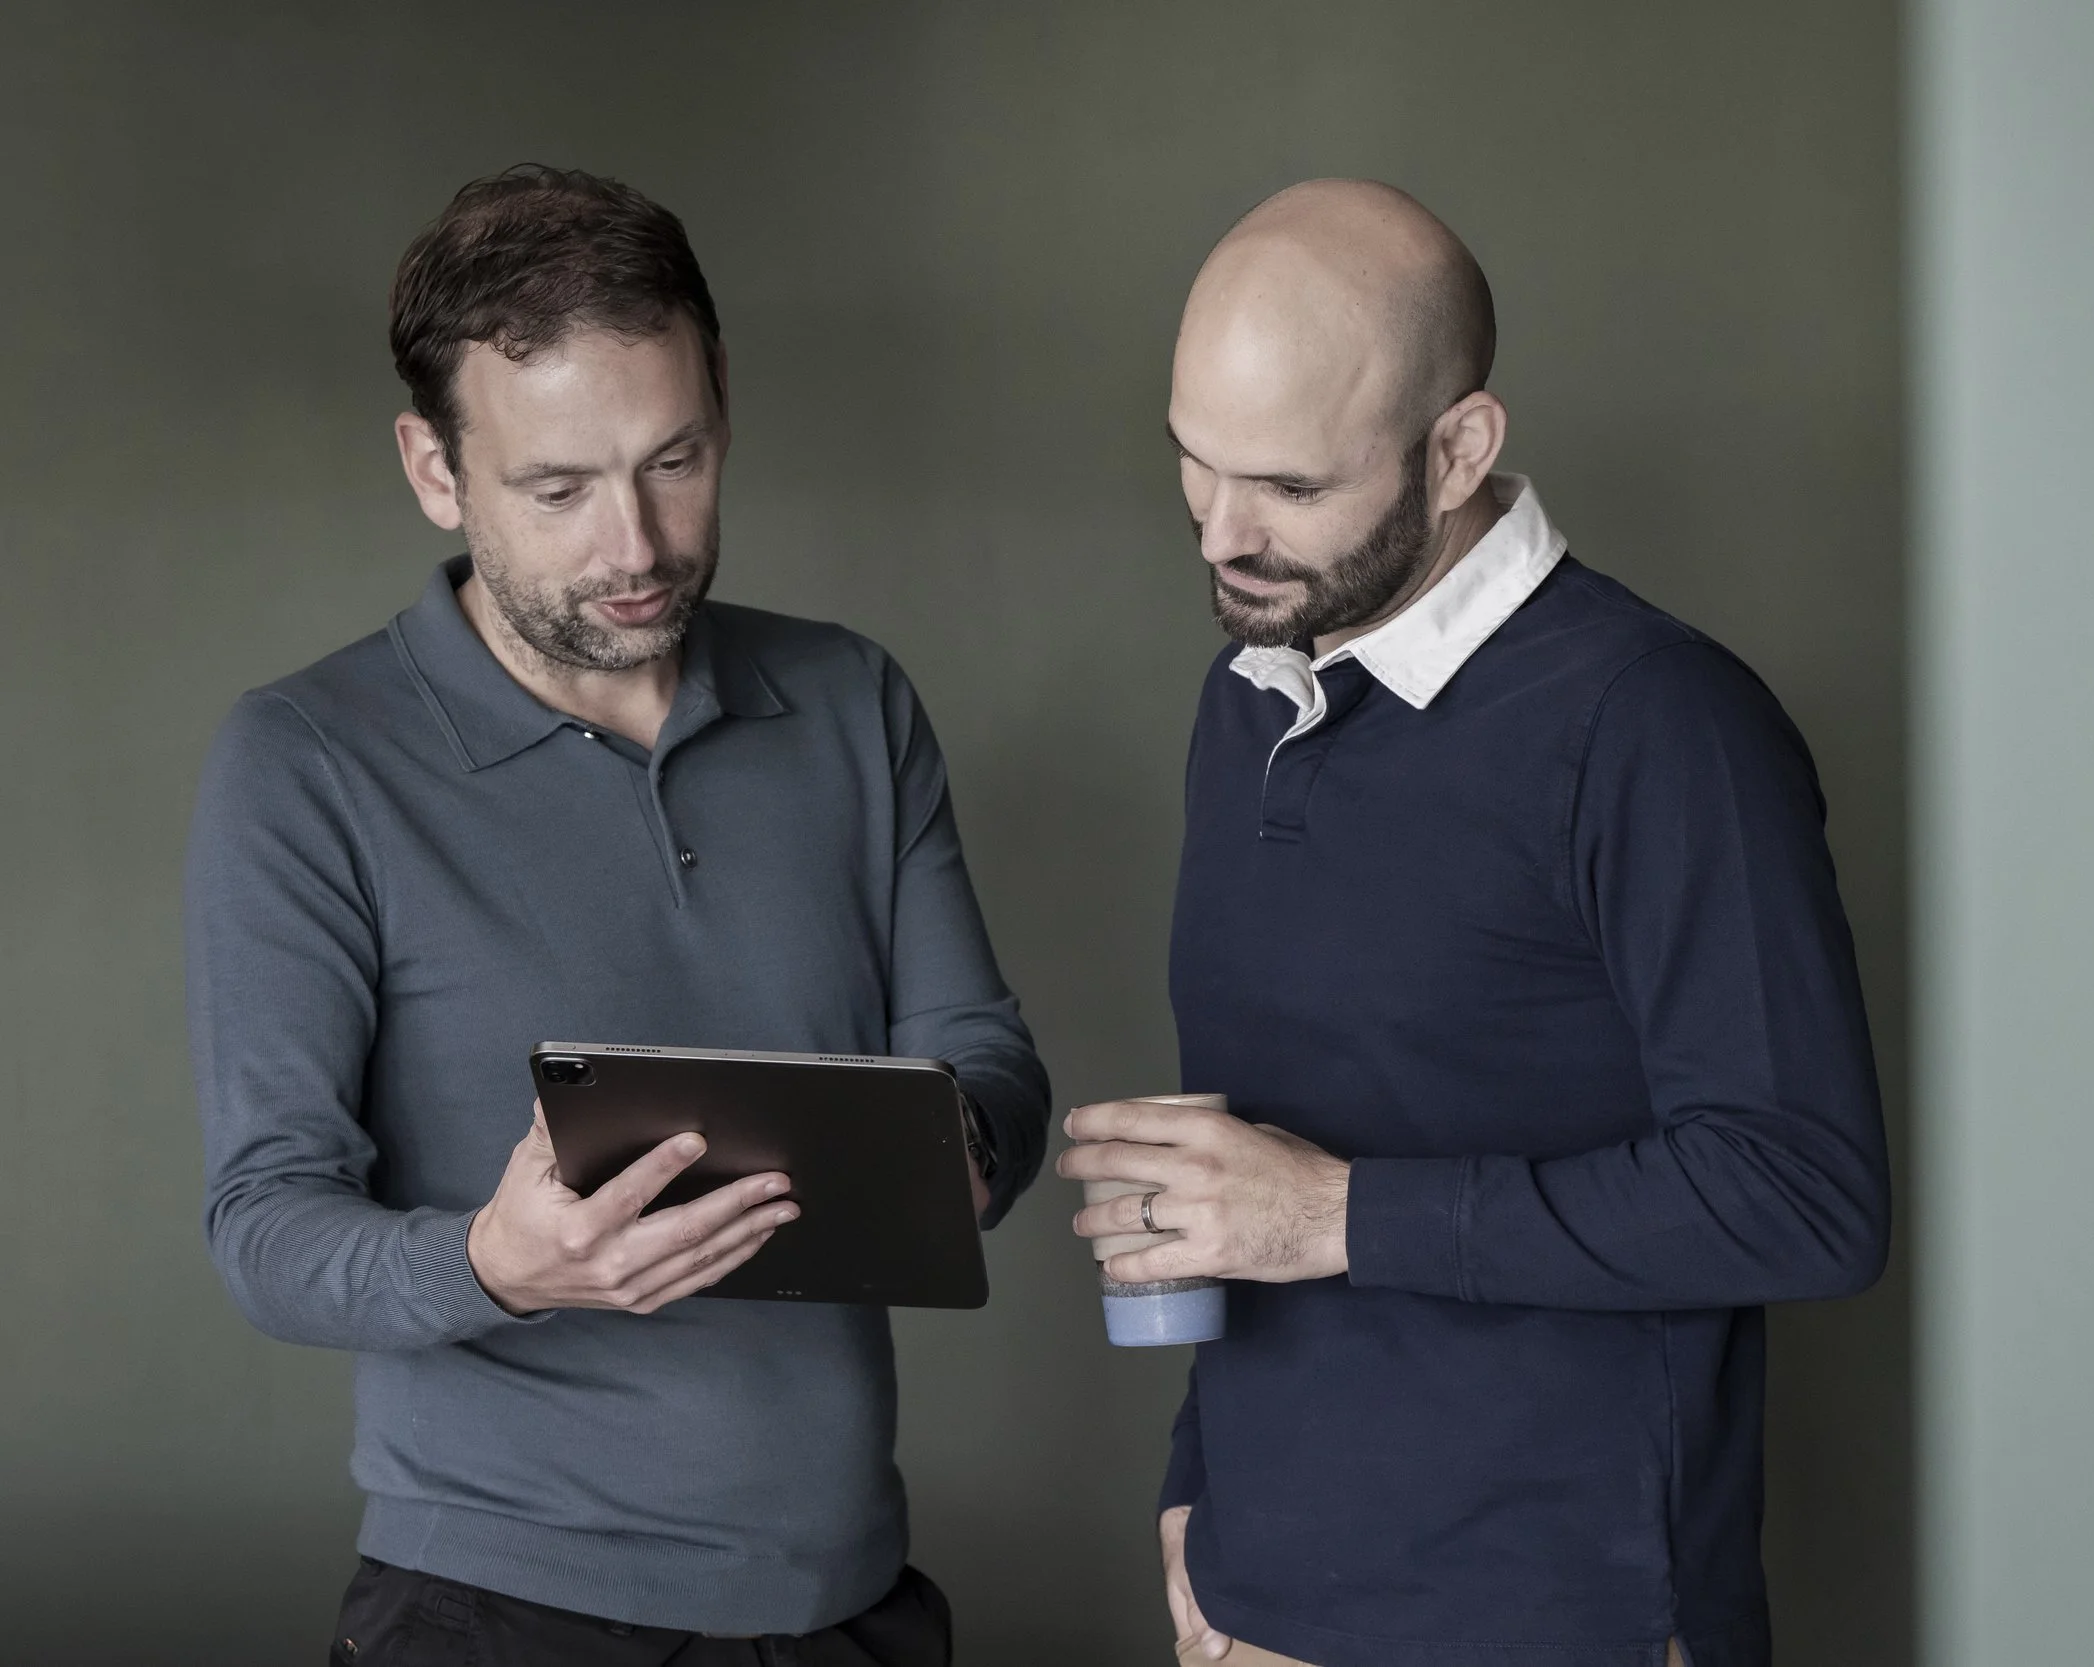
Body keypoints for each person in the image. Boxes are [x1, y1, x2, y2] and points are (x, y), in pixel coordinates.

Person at [185, 165, 1047, 1665]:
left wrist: (961, 1155)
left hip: (848, 1595)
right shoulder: (304, 759)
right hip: (493, 1612)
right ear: (435, 470)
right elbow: (264, 1221)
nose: (636, 547)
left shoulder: (852, 700)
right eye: (560, 488)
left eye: (676, 459)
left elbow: (985, 1058)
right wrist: (493, 1266)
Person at [1060, 180, 1890, 1667]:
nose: (1226, 535)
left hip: (1562, 1624)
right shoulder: (1247, 694)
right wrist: (1201, 1493)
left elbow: (1804, 1193)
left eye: (1292, 488)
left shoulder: (1660, 726)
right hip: (1251, 1615)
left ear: (1459, 449)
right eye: (1196, 464)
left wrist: (1332, 1216)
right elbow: (1254, 1158)